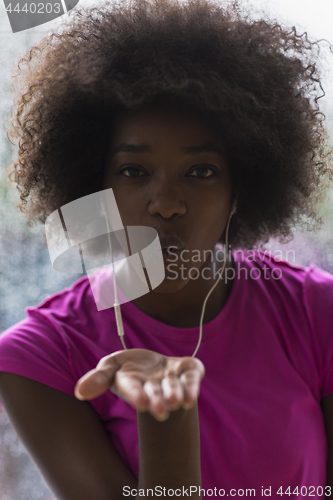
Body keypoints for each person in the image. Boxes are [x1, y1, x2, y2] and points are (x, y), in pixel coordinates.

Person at [0, 0, 333, 498]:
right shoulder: (41, 356)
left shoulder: (317, 312)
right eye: (134, 171)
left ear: (240, 191)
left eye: (200, 172)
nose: (166, 203)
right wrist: (167, 421)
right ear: (96, 190)